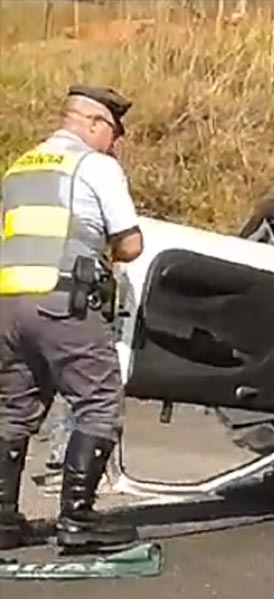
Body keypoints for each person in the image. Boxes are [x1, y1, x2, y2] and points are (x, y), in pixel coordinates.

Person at [0, 85, 143, 550]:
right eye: (114, 133)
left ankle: (2, 520)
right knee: (99, 399)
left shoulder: (19, 167)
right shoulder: (95, 165)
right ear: (95, 124)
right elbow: (131, 244)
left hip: (7, 306)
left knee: (13, 411)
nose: (115, 144)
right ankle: (78, 520)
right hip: (62, 303)